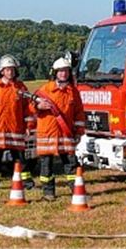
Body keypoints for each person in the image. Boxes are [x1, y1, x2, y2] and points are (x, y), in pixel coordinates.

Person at [0, 55, 34, 190]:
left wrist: (29, 126)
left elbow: (28, 109)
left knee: (20, 159)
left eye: (12, 69)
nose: (10, 72)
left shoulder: (20, 88)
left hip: (15, 130)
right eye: (8, 69)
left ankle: (27, 183)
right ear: (2, 71)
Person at [34, 57, 86, 201]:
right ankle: (48, 193)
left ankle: (76, 190)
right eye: (61, 71)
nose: (63, 74)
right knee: (46, 166)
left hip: (65, 133)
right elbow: (31, 107)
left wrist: (79, 131)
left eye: (66, 71)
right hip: (47, 134)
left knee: (71, 164)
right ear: (55, 73)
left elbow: (79, 113)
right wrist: (38, 106)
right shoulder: (45, 90)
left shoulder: (73, 92)